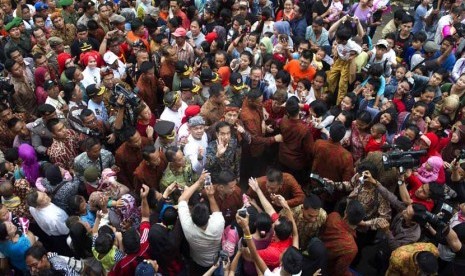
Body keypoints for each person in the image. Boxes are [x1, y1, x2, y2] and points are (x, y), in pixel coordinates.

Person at [177, 170, 225, 275]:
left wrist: (199, 181)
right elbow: (216, 212)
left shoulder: (187, 226)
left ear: (191, 217)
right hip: (215, 260)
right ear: (209, 217)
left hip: (197, 260)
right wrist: (211, 196)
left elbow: (182, 199)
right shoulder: (218, 224)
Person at [320, 200, 366, 276]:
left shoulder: (334, 217)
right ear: (360, 221)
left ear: (345, 214)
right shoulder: (351, 248)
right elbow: (339, 271)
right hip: (326, 270)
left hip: (316, 255)